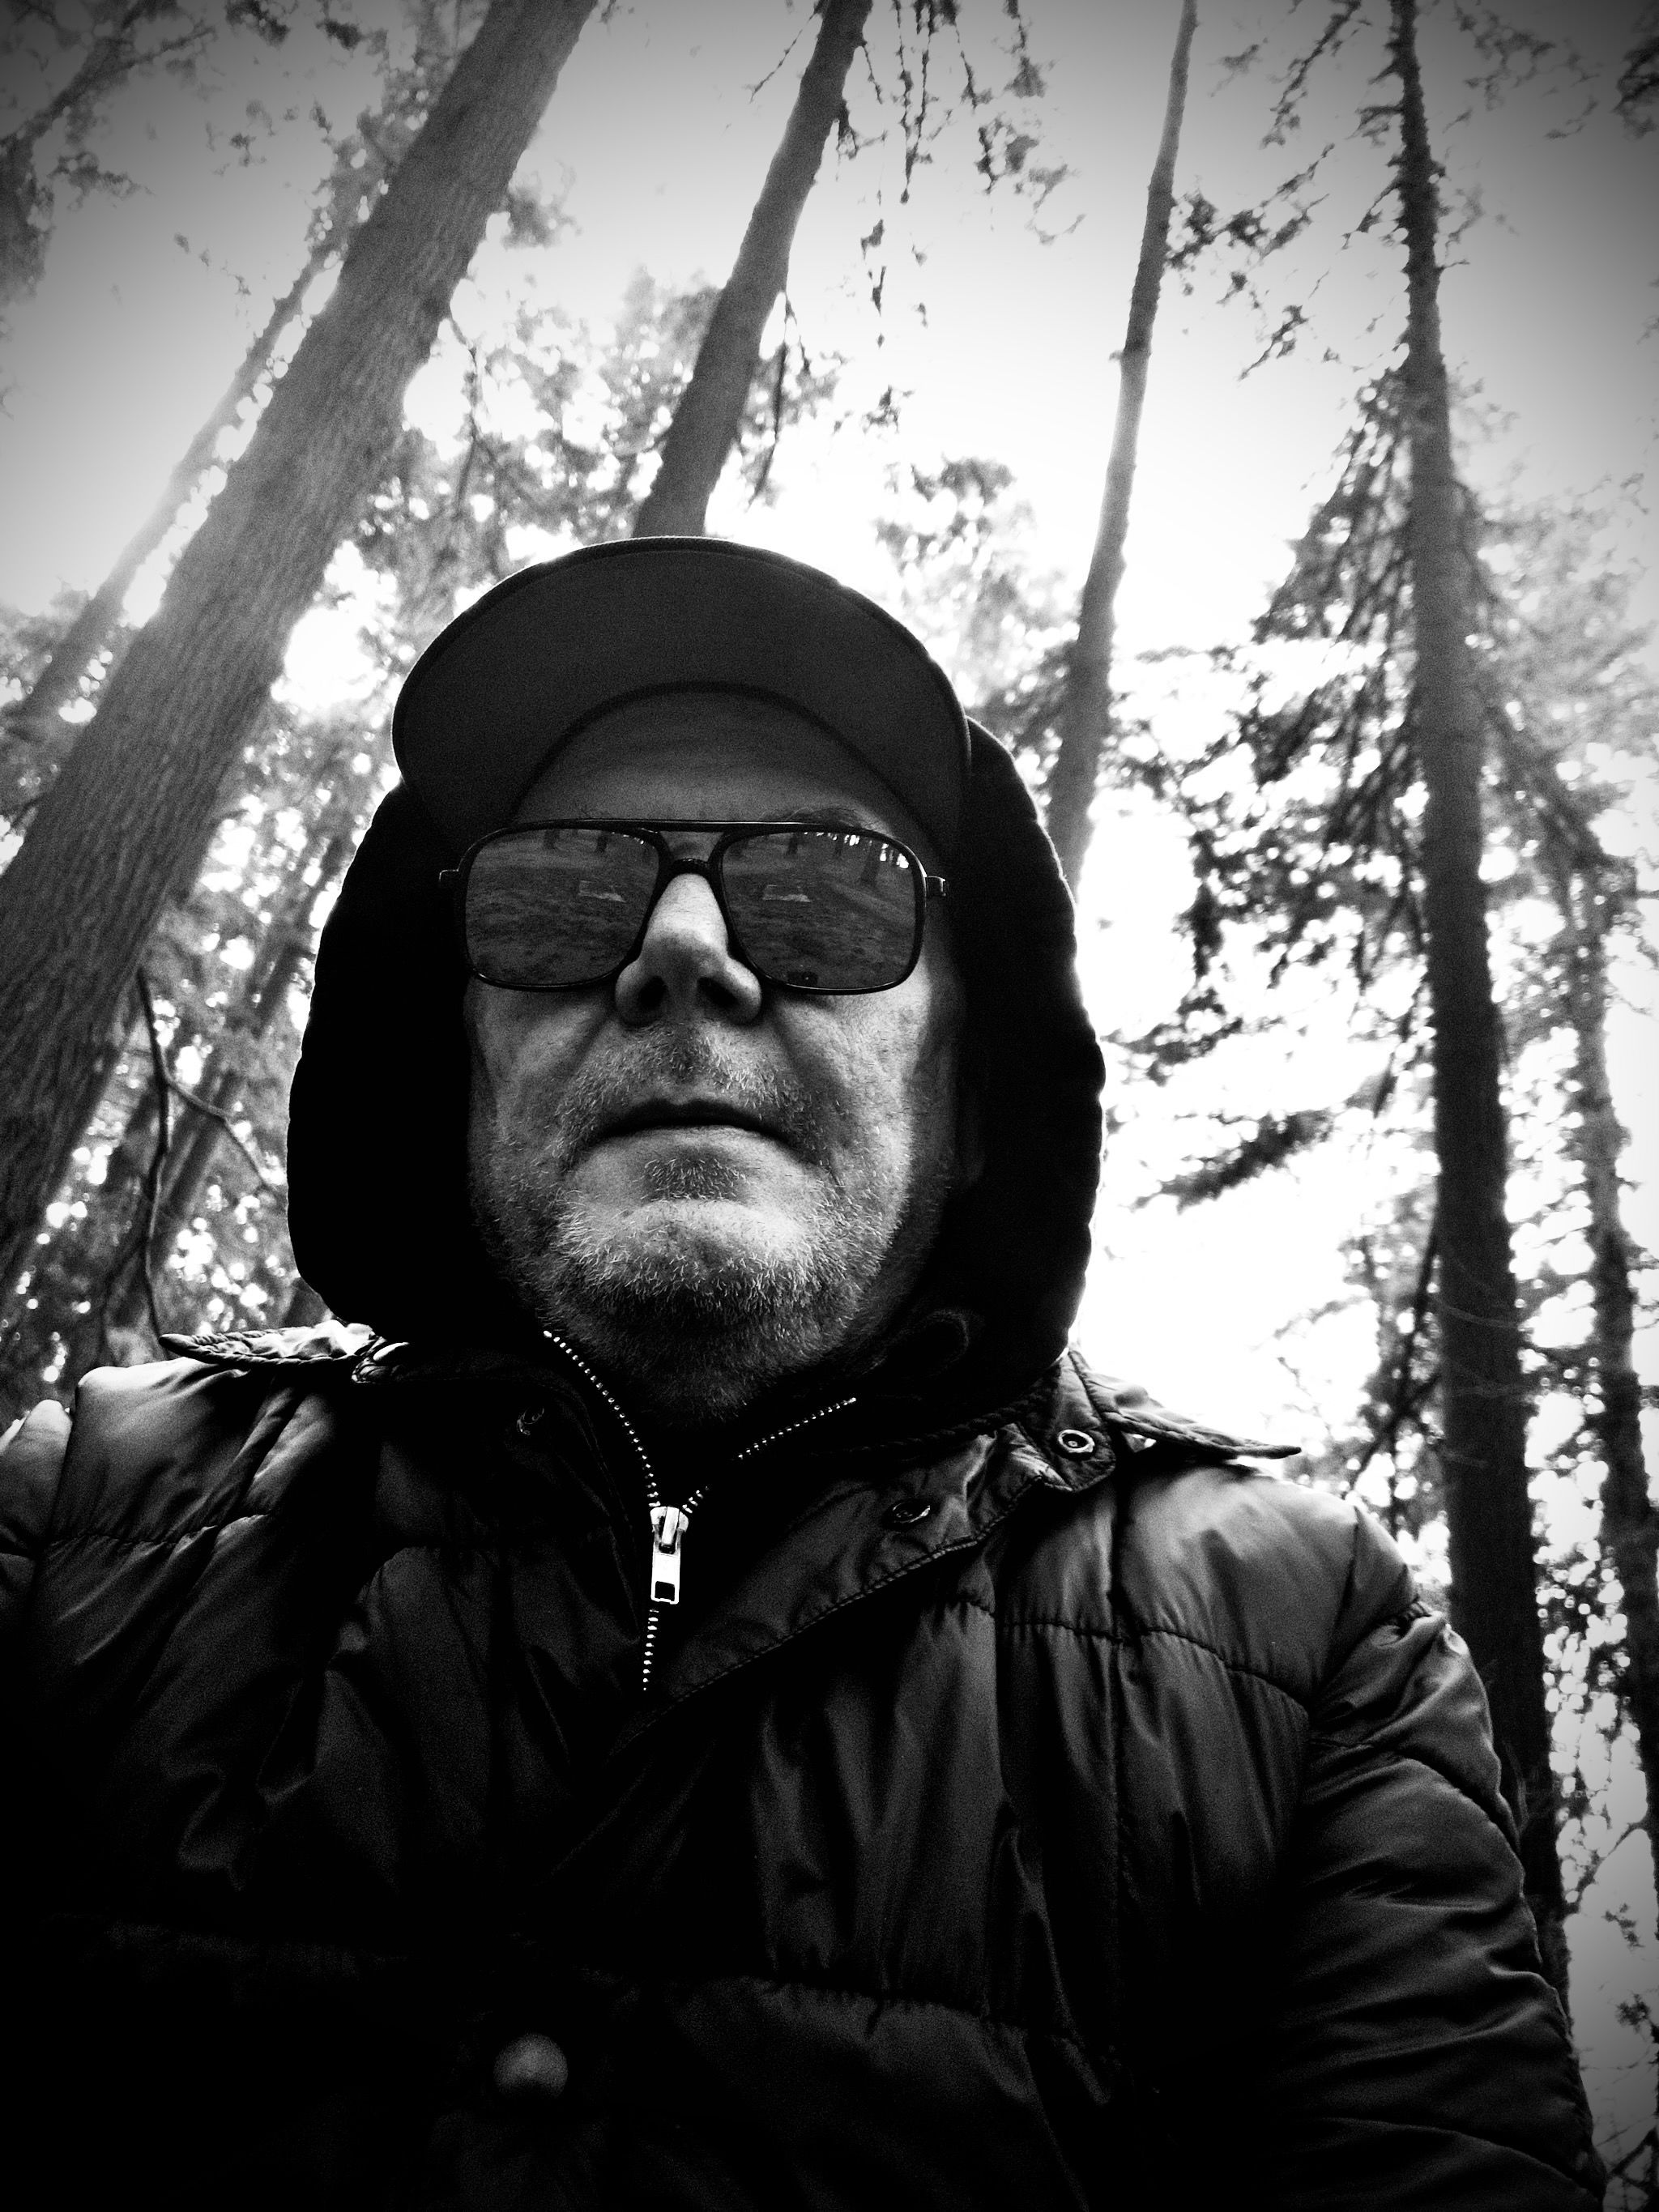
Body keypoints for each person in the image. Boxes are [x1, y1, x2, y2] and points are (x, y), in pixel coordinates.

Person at [1, 539, 1602, 2210]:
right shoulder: (81, 1522)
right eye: (556, 892)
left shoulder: (1301, 1642)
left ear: (973, 1104)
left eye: (825, 890)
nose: (684, 951)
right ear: (456, 1066)